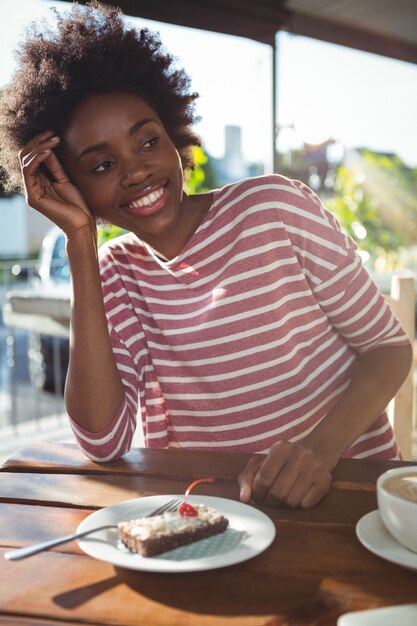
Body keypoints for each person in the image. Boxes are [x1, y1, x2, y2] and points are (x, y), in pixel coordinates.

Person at [0, 1, 412, 510]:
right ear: (72, 185)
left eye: (148, 141)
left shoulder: (274, 208)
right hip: (216, 520)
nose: (136, 171)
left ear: (174, 136)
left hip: (351, 502)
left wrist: (317, 453)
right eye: (102, 165)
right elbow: (103, 442)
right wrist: (81, 244)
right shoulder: (115, 274)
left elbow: (389, 349)